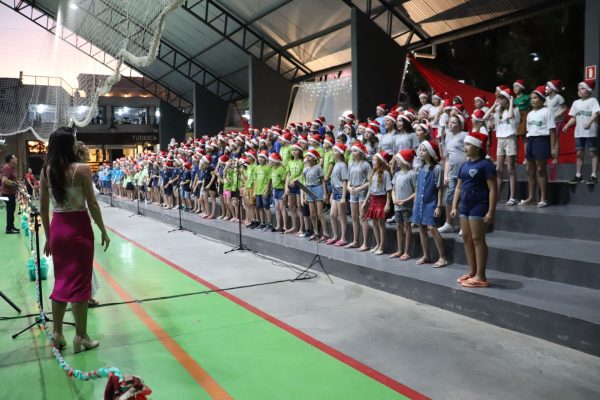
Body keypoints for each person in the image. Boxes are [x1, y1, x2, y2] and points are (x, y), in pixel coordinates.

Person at [39, 127, 110, 353]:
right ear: (69, 145)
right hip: (78, 229)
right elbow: (92, 204)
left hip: (58, 228)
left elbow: (43, 208)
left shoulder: (46, 171)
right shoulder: (81, 169)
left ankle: (58, 333)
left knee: (61, 281)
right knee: (80, 283)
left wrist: (49, 238)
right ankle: (81, 336)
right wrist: (103, 230)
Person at [450, 132, 497, 288]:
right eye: (465, 144)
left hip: (480, 205)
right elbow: (458, 188)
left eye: (468, 144)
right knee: (467, 238)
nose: (465, 147)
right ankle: (472, 271)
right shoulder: (464, 165)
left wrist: (490, 211)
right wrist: (454, 206)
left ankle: (481, 276)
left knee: (478, 239)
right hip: (465, 205)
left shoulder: (486, 165)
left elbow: (493, 190)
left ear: (477, 147)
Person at [412, 140, 447, 268]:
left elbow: (440, 188)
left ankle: (442, 257)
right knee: (421, 228)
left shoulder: (437, 168)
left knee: (432, 228)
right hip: (419, 202)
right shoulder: (419, 168)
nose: (421, 152)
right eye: (420, 150)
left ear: (431, 152)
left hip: (431, 202)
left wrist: (438, 206)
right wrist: (415, 202)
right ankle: (426, 255)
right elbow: (417, 187)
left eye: (424, 150)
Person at [520, 86, 556, 208]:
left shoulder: (547, 111)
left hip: (542, 140)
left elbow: (552, 131)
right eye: (531, 98)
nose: (532, 100)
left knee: (541, 170)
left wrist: (552, 147)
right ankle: (531, 197)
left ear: (541, 99)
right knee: (530, 171)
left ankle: (543, 198)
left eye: (535, 98)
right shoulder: (530, 114)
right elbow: (528, 131)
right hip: (531, 140)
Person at [563, 79, 600, 185]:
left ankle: (593, 175)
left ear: (589, 91)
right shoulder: (576, 103)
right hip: (579, 132)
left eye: (583, 88)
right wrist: (567, 125)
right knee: (579, 153)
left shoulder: (593, 101)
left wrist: (589, 123)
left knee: (593, 152)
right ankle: (578, 175)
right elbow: (574, 117)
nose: (580, 90)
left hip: (590, 131)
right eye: (579, 88)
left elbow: (596, 113)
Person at [439, 115, 467, 233]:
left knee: (464, 198)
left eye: (454, 122)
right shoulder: (448, 139)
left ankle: (463, 226)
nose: (450, 124)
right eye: (449, 122)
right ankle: (449, 223)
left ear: (460, 124)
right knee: (449, 198)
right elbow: (447, 159)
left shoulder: (464, 135)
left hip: (463, 173)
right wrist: (446, 175)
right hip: (451, 174)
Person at [362, 151, 393, 255]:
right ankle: (377, 243)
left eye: (375, 160)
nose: (373, 161)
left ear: (380, 161)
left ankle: (382, 246)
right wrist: (366, 201)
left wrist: (388, 203)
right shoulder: (372, 172)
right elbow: (370, 189)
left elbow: (389, 189)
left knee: (381, 223)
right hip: (373, 200)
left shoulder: (385, 173)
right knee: (374, 223)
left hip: (381, 200)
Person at [390, 149, 416, 261]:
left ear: (404, 161)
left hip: (407, 206)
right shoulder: (396, 174)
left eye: (399, 160)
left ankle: (407, 251)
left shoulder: (412, 174)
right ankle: (400, 250)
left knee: (407, 227)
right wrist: (394, 199)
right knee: (399, 227)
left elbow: (416, 191)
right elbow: (393, 189)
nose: (397, 162)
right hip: (397, 206)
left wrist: (405, 200)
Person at [345, 142, 372, 250]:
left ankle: (365, 243)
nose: (353, 152)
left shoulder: (366, 165)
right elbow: (348, 179)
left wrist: (360, 188)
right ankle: (355, 241)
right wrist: (348, 187)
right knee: (354, 217)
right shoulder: (351, 163)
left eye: (355, 151)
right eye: (352, 151)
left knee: (363, 217)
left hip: (362, 192)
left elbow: (370, 181)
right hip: (353, 191)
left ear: (361, 153)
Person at [301, 149, 328, 241]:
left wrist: (325, 193)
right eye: (307, 156)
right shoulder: (305, 169)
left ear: (314, 158)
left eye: (310, 156)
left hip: (318, 188)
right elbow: (305, 182)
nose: (308, 158)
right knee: (312, 214)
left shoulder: (318, 168)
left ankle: (325, 233)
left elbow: (323, 181)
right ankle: (316, 232)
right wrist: (305, 194)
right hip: (309, 189)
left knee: (320, 213)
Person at [325, 143, 349, 246]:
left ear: (340, 153)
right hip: (335, 192)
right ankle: (335, 236)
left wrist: (344, 196)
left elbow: (344, 181)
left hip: (340, 192)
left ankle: (343, 238)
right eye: (333, 151)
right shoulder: (336, 164)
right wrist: (331, 195)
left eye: (335, 151)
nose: (333, 153)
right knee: (332, 214)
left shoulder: (343, 165)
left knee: (342, 216)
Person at [545, 80, 567, 164]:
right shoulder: (546, 98)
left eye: (548, 86)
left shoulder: (559, 97)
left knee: (556, 138)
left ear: (553, 88)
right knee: (549, 139)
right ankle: (548, 156)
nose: (546, 88)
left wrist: (558, 114)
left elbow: (564, 108)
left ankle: (555, 158)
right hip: (548, 122)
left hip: (557, 121)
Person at [1, 154, 20, 234]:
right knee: (10, 210)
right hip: (7, 193)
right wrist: (14, 184)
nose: (16, 158)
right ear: (10, 160)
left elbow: (12, 180)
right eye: (14, 157)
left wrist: (18, 183)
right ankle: (9, 229)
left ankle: (11, 226)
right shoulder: (7, 168)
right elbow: (4, 180)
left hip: (11, 193)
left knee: (11, 210)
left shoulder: (12, 168)